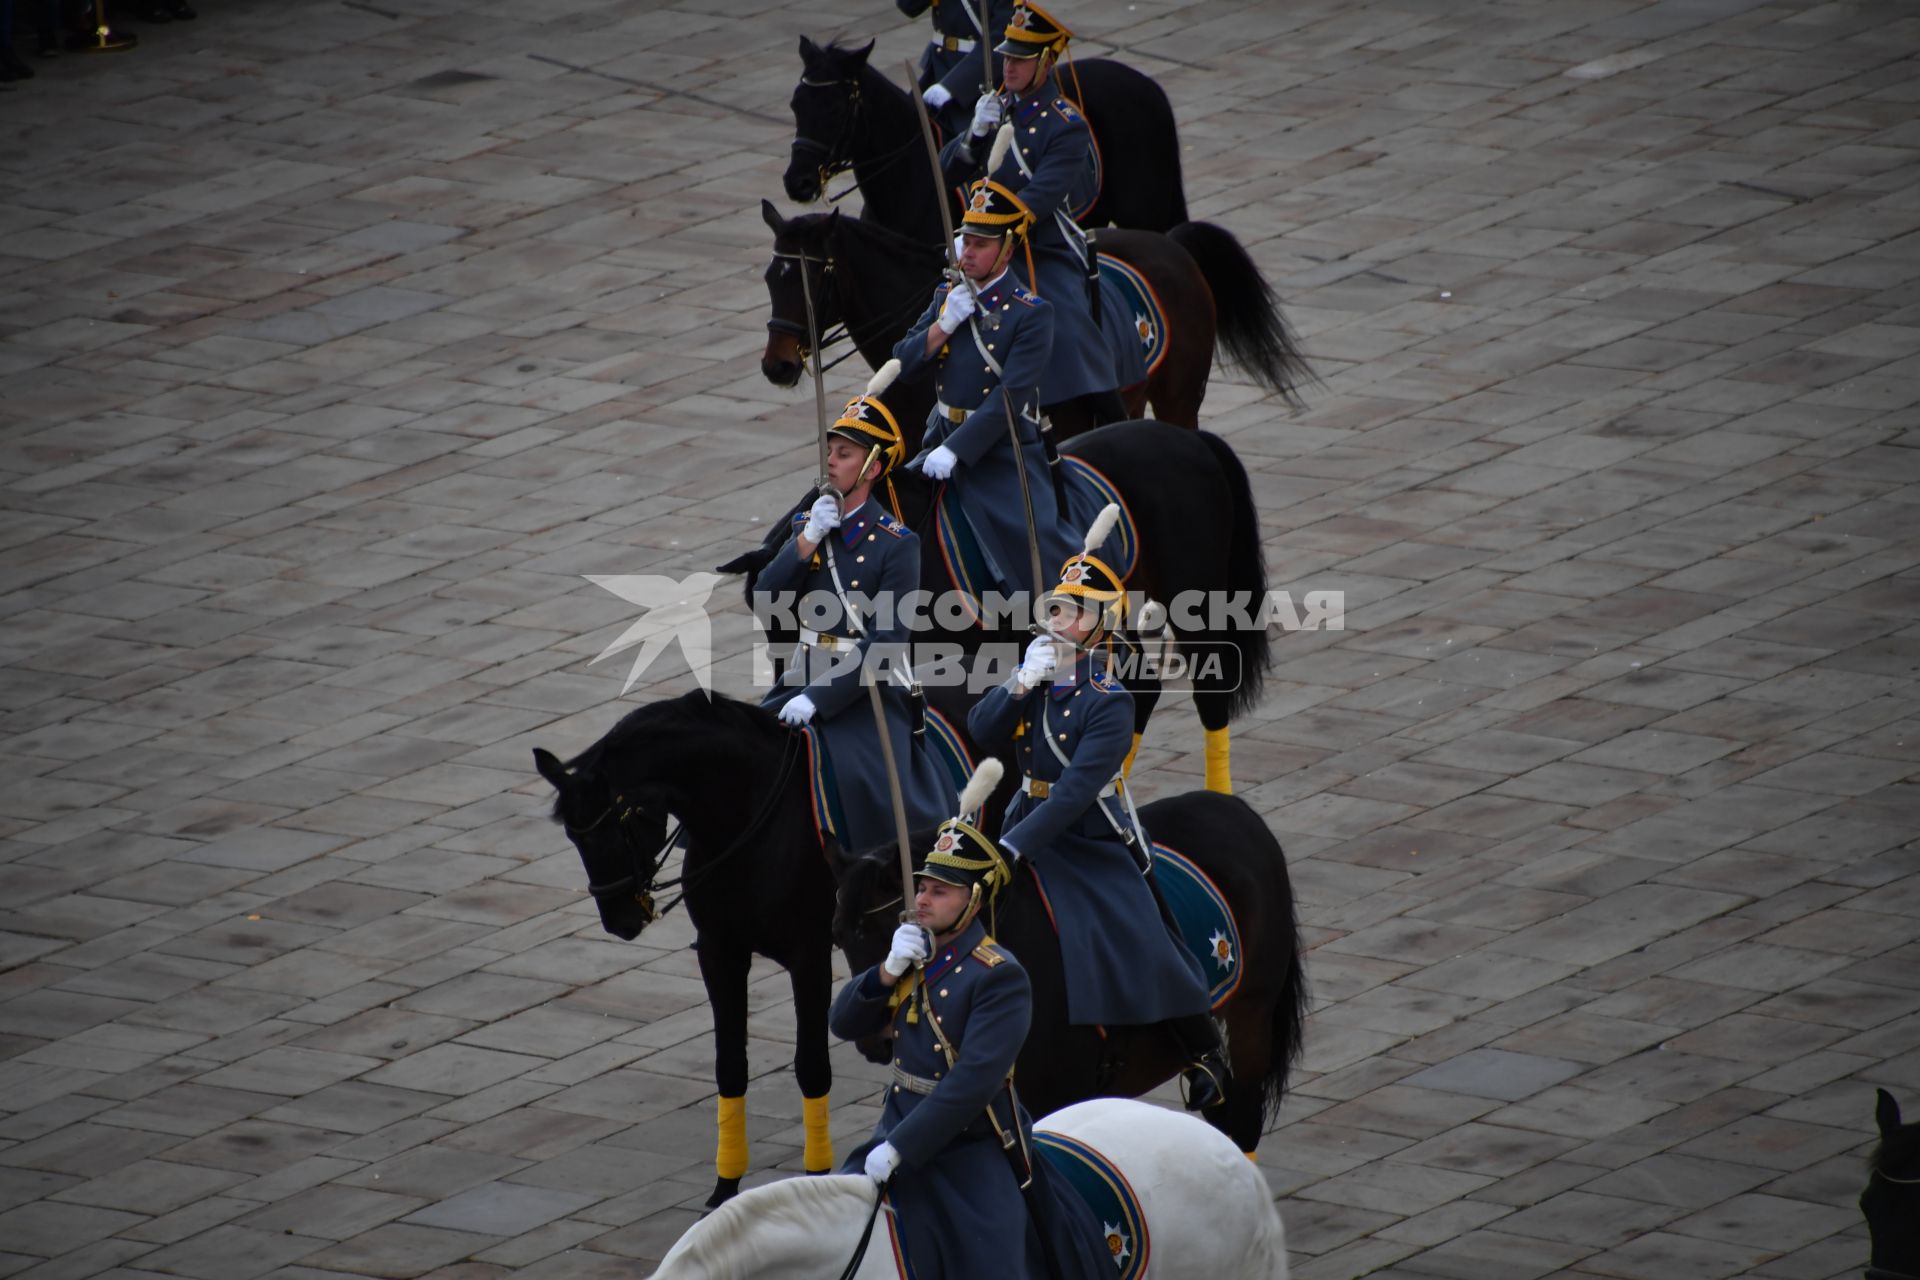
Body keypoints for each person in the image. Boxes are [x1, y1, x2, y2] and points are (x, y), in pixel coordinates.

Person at [966, 512, 1231, 1110]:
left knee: (1141, 927)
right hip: (1023, 820)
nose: (1060, 620)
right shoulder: (1036, 678)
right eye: (1057, 608)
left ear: (1100, 626)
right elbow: (982, 730)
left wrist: (1014, 847)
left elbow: (1075, 793)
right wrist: (1016, 683)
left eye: (1074, 611)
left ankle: (1203, 1046)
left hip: (1087, 834)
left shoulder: (1110, 701)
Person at [829, 770, 1110, 1280]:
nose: (923, 900)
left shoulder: (1000, 978)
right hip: (895, 1124)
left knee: (995, 1263)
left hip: (971, 1144)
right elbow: (843, 1022)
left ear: (973, 902)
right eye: (923, 889)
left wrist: (902, 1148)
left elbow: (970, 1084)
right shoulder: (914, 953)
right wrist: (885, 971)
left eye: (940, 892)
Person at [754, 392, 954, 857]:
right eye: (829, 452)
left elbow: (886, 644)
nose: (831, 463)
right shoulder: (811, 524)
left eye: (845, 454)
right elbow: (766, 596)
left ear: (874, 468)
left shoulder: (896, 544)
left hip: (862, 694)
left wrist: (818, 698)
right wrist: (804, 541)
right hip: (800, 675)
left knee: (871, 793)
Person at [938, 0, 1135, 424]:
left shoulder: (1065, 123)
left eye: (1020, 59)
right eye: (1007, 56)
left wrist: (980, 235)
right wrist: (974, 134)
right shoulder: (995, 108)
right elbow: (945, 170)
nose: (1008, 67)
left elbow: (1039, 200)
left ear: (1045, 61)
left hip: (1040, 247)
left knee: (1065, 325)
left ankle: (1112, 416)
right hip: (981, 244)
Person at [892, 178, 1071, 600]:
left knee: (1032, 549)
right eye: (964, 242)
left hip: (1001, 451)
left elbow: (1010, 398)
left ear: (1007, 249)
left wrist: (958, 450)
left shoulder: (1031, 314)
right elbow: (905, 362)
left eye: (980, 245)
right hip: (939, 435)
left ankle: (1051, 626)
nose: (967, 253)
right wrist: (943, 325)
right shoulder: (947, 296)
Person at [897, 0, 1015, 141]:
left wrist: (951, 86)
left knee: (971, 144)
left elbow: (1001, 42)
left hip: (977, 79)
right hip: (938, 67)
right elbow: (908, 6)